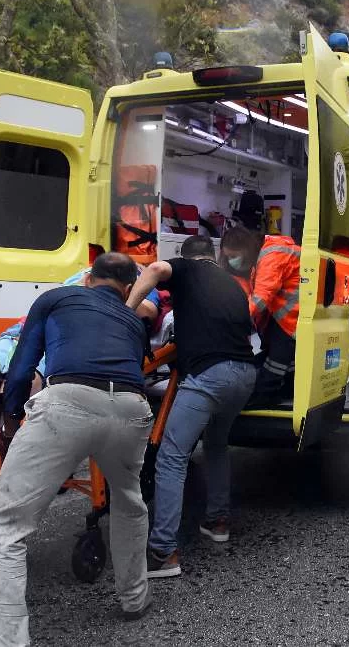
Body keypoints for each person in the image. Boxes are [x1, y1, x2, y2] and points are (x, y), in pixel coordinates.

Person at [0, 253, 154, 646]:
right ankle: (135, 598)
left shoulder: (56, 298)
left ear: (89, 278)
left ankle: (9, 642)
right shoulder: (132, 319)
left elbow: (23, 368)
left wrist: (9, 428)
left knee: (8, 527)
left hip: (67, 403)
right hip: (131, 407)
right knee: (129, 503)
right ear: (129, 289)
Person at [126, 235, 256, 578]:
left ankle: (163, 552)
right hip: (244, 376)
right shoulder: (234, 286)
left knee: (172, 456)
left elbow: (154, 268)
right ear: (212, 256)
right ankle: (218, 520)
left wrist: (124, 313)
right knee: (216, 444)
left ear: (187, 258)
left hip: (210, 376)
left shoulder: (187, 268)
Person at [0, 265, 161, 396]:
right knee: (36, 364)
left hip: (32, 323)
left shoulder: (88, 275)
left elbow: (149, 311)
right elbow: (148, 311)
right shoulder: (137, 282)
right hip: (62, 329)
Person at [219, 227, 301, 407]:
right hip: (289, 316)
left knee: (276, 361)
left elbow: (261, 298)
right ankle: (286, 389)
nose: (232, 261)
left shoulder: (271, 256)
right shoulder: (265, 252)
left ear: (246, 250)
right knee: (284, 359)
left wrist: (231, 319)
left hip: (292, 317)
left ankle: (264, 396)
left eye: (234, 256)